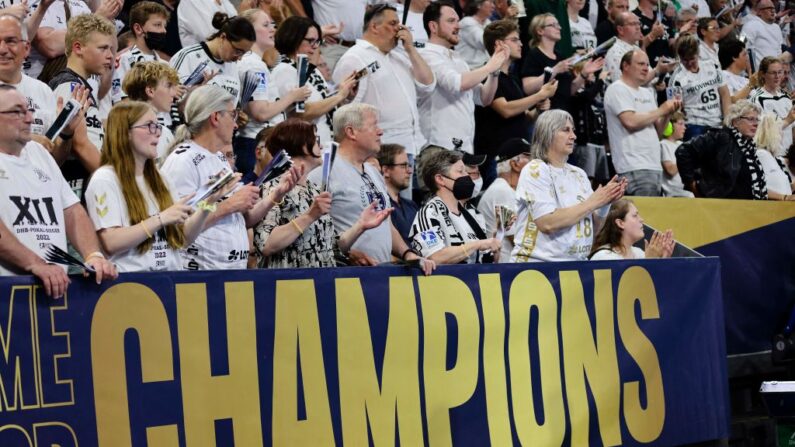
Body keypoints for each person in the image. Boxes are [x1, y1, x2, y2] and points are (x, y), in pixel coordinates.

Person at [160, 84, 301, 270]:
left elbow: (244, 218)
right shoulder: (183, 161)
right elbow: (180, 229)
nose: (236, 124)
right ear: (215, 117)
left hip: (230, 274)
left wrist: (275, 195)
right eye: (233, 114)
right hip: (199, 276)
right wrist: (228, 205)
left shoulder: (218, 158)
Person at [84, 101, 233, 272]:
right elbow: (111, 242)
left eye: (158, 126)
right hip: (131, 285)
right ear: (125, 133)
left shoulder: (161, 178)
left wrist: (209, 202)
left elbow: (182, 239)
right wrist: (160, 219)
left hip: (168, 280)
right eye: (149, 126)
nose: (157, 134)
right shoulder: (105, 179)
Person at [0, 84, 117, 292]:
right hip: (8, 294)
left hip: (54, 288)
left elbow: (71, 210)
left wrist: (92, 255)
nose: (29, 118)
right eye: (17, 112)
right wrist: (35, 263)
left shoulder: (39, 153)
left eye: (28, 110)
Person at [306, 103, 434, 273]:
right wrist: (345, 254)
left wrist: (408, 253)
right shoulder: (324, 171)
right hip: (344, 275)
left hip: (380, 273)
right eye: (374, 125)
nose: (380, 131)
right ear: (351, 132)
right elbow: (311, 228)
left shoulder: (374, 173)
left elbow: (385, 223)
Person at [253, 119, 392, 268]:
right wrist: (310, 216)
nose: (321, 145)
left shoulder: (314, 190)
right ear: (302, 145)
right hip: (290, 284)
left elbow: (331, 248)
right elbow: (266, 244)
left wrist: (360, 226)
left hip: (321, 284)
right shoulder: (273, 189)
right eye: (315, 139)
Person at [510, 109, 627, 262]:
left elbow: (593, 230)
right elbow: (547, 223)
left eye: (573, 130)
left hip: (574, 266)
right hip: (538, 266)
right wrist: (593, 202)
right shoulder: (535, 169)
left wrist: (605, 202)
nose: (573, 136)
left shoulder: (579, 174)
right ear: (548, 133)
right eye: (565, 130)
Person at [332, 4, 435, 159]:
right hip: (381, 150)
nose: (398, 30)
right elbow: (344, 111)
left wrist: (411, 49)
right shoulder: (354, 58)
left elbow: (428, 85)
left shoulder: (398, 57)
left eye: (399, 24)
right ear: (374, 27)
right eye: (393, 24)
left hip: (413, 146)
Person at [418, 0, 509, 154]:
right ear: (433, 26)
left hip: (464, 145)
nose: (458, 26)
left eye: (458, 21)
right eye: (451, 21)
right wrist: (490, 65)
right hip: (439, 146)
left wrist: (494, 71)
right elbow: (457, 83)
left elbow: (484, 98)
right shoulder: (426, 55)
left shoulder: (457, 58)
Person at [474, 19, 557, 186]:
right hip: (496, 158)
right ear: (499, 44)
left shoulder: (512, 78)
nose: (520, 44)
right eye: (514, 40)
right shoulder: (488, 74)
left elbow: (524, 116)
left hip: (517, 156)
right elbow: (505, 109)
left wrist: (538, 109)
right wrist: (539, 95)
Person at [236, 9, 311, 182]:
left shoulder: (255, 63)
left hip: (257, 142)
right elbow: (260, 112)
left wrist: (290, 102)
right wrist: (292, 96)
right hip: (255, 143)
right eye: (265, 25)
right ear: (249, 30)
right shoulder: (254, 66)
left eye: (272, 25)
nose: (272, 29)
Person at [49, 13, 116, 198]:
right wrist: (119, 184)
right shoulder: (69, 85)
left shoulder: (81, 85)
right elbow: (79, 145)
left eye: (111, 49)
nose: (110, 56)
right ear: (78, 48)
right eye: (103, 48)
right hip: (75, 181)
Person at [676, 100, 795, 200]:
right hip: (721, 210)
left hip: (744, 211)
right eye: (750, 119)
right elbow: (683, 151)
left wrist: (784, 197)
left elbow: (753, 187)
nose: (755, 124)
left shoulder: (750, 148)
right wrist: (693, 186)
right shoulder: (721, 138)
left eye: (757, 120)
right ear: (735, 122)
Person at [605, 50, 681, 196]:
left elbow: (658, 132)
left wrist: (667, 113)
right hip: (633, 166)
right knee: (642, 217)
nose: (646, 68)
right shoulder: (617, 89)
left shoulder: (647, 92)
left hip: (653, 165)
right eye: (641, 64)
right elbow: (630, 121)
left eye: (647, 64)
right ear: (626, 66)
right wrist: (661, 110)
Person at [270, 16, 355, 147]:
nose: (315, 47)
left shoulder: (311, 70)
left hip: (324, 144)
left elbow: (324, 106)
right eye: (310, 41)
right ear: (294, 38)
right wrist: (339, 96)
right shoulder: (284, 70)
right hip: (302, 147)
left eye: (317, 41)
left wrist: (345, 95)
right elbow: (300, 114)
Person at [409, 149, 501, 264]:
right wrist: (478, 244)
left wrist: (498, 237)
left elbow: (486, 262)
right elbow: (435, 256)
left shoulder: (473, 214)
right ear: (440, 179)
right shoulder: (429, 213)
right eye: (460, 172)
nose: (467, 177)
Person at [521, 13, 603, 113]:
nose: (559, 28)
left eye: (558, 24)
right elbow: (528, 88)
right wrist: (555, 70)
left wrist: (584, 73)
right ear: (540, 31)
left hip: (565, 112)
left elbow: (569, 90)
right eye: (553, 25)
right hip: (547, 116)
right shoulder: (534, 55)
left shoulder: (560, 56)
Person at [171, 13, 255, 105]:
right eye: (238, 51)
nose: (239, 58)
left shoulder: (232, 66)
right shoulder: (188, 57)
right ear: (223, 37)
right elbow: (171, 99)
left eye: (245, 53)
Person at [0, 14, 56, 144]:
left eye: (10, 41)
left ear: (26, 49)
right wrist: (29, 139)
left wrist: (66, 135)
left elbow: (55, 154)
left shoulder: (43, 91)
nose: (2, 49)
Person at [477, 137, 531, 262]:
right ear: (515, 164)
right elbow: (517, 239)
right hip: (504, 270)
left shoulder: (507, 190)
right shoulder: (502, 191)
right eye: (529, 157)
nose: (535, 164)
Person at [668, 34, 730, 140]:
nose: (689, 63)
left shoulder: (712, 66)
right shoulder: (676, 79)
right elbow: (675, 110)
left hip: (717, 123)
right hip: (695, 125)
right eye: (685, 60)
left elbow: (724, 93)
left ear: (698, 53)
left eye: (692, 59)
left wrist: (727, 119)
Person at [121, 61, 181, 163]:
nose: (174, 93)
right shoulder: (127, 132)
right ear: (150, 91)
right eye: (168, 86)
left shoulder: (165, 132)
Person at [111, 1, 169, 104]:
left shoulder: (165, 65)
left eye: (164, 26)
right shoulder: (124, 60)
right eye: (157, 25)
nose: (163, 31)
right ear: (138, 28)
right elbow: (121, 101)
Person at [589, 199, 675, 260]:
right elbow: (628, 285)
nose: (641, 220)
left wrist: (663, 259)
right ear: (620, 223)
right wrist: (649, 262)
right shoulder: (604, 257)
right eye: (635, 215)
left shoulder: (639, 253)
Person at [748, 57, 795, 156]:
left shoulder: (786, 97)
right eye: (773, 73)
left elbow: (793, 129)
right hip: (770, 155)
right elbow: (760, 131)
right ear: (763, 74)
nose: (777, 76)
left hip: (788, 155)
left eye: (780, 72)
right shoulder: (756, 97)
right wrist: (786, 121)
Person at [377, 143, 418, 246]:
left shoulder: (412, 206)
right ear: (386, 170)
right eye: (403, 166)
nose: (409, 171)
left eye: (409, 166)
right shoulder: (378, 207)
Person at [754, 112, 795, 195]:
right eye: (780, 131)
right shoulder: (762, 155)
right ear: (772, 134)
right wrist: (784, 198)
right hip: (771, 206)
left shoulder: (773, 158)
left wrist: (791, 187)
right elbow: (758, 187)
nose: (782, 135)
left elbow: (776, 187)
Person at [742, 0, 789, 71]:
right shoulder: (750, 25)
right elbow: (741, 44)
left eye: (773, 8)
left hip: (775, 73)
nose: (773, 11)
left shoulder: (777, 28)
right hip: (758, 73)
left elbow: (779, 51)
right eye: (769, 8)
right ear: (759, 12)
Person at [660, 112, 695, 197]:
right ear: (670, 126)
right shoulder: (663, 144)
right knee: (691, 196)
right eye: (681, 124)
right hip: (670, 192)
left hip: (681, 189)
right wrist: (685, 160)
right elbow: (670, 170)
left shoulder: (680, 144)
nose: (684, 127)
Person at [456, 0, 493, 69]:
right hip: (470, 69)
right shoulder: (466, 23)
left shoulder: (488, 22)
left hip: (485, 67)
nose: (493, 6)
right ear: (479, 5)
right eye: (490, 2)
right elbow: (485, 42)